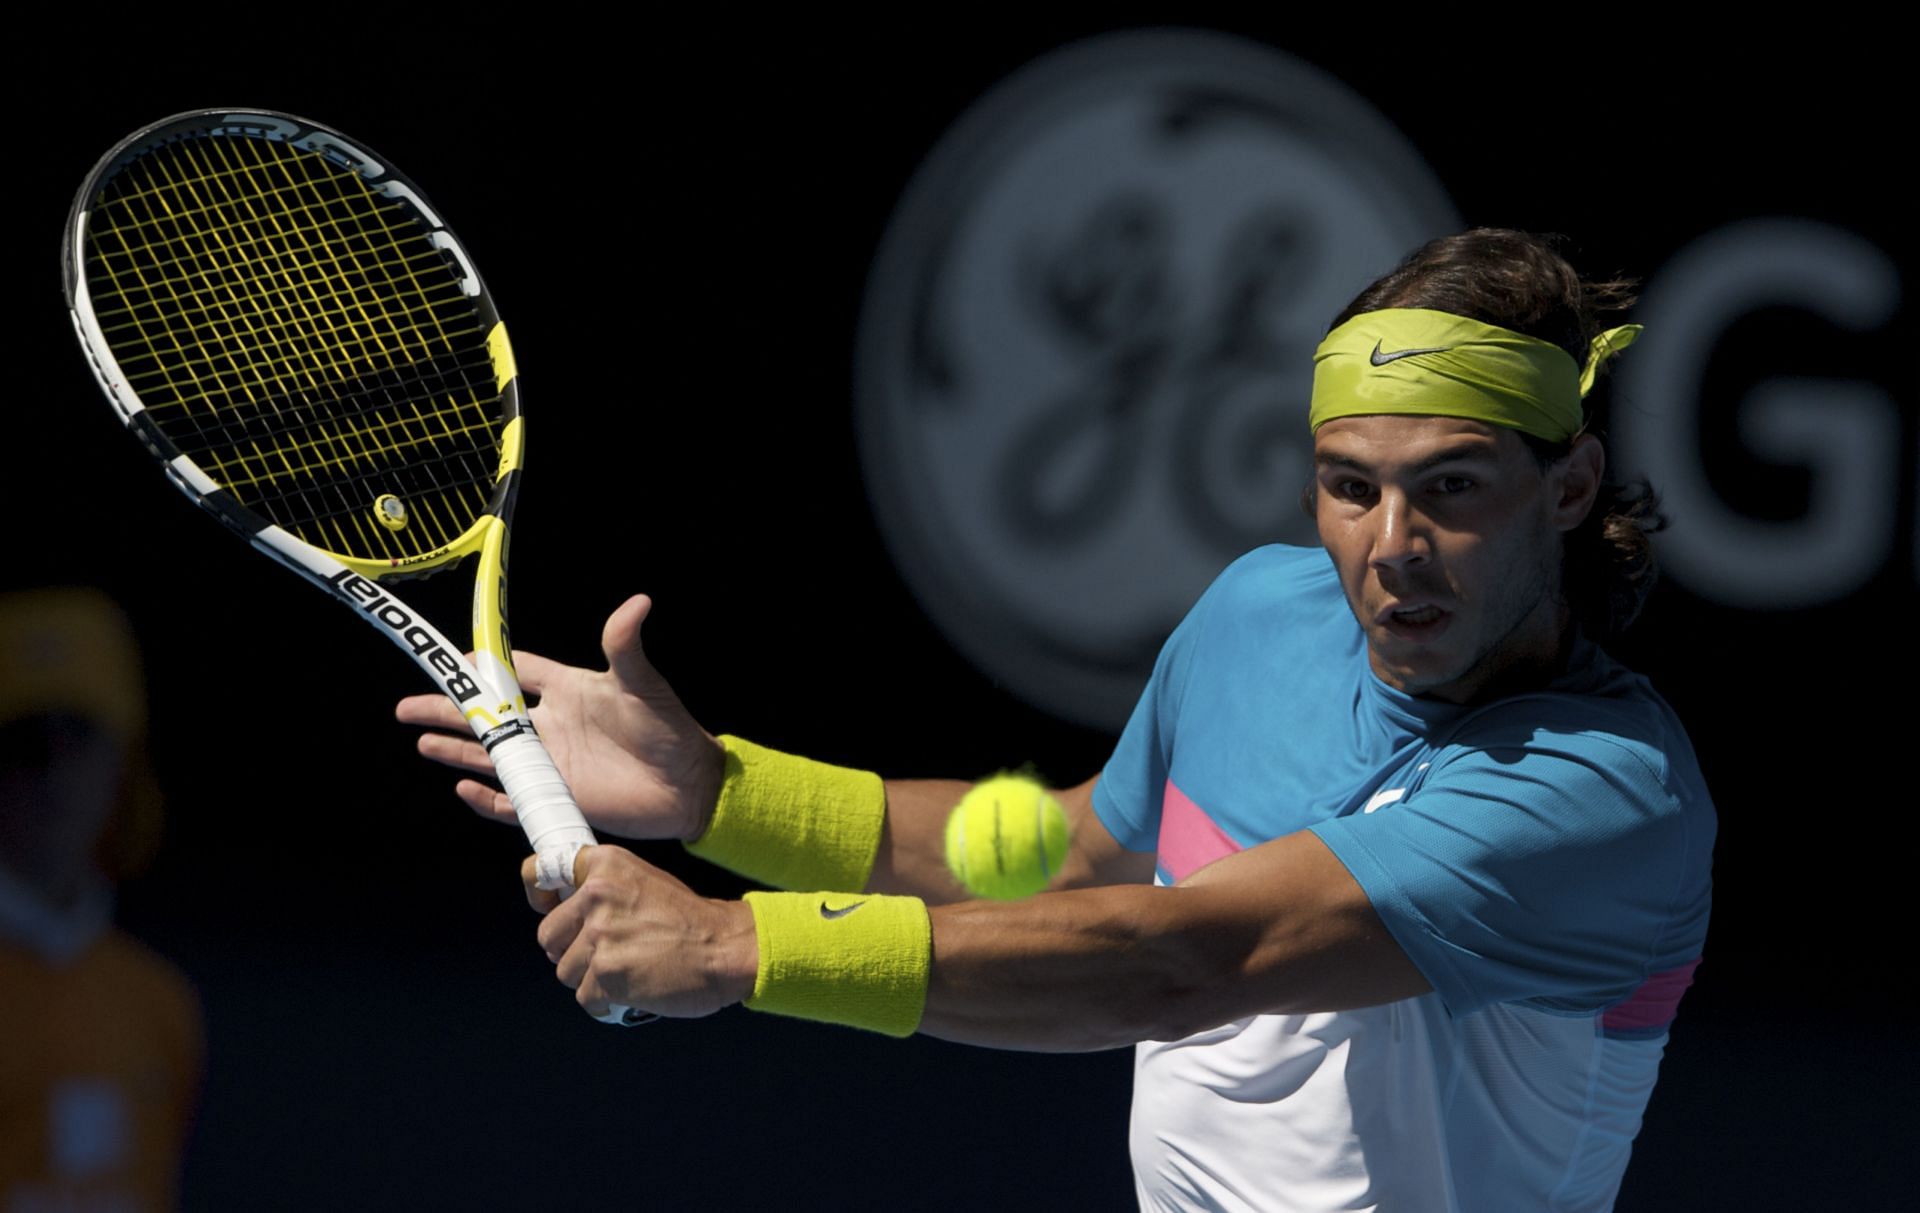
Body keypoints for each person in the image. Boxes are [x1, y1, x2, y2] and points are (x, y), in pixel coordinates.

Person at [399, 229, 1714, 1211]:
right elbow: (1076, 854)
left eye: (1454, 486)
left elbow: (1178, 961)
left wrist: (741, 945)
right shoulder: (1263, 612)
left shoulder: (1598, 793)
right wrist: (729, 795)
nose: (1392, 546)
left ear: (1570, 484)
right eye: (1348, 486)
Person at [1, 588, 203, 1211]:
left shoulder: (160, 1007)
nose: (56, 772)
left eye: (81, 735)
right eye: (26, 742)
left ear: (124, 760)